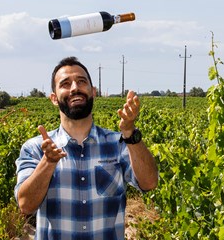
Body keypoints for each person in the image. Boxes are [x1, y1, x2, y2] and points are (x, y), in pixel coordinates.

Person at [14, 56, 158, 240]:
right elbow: (26, 205)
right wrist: (48, 162)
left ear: (93, 91)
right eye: (65, 83)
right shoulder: (35, 148)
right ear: (53, 98)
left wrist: (130, 133)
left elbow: (149, 183)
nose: (75, 88)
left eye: (81, 81)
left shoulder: (119, 143)